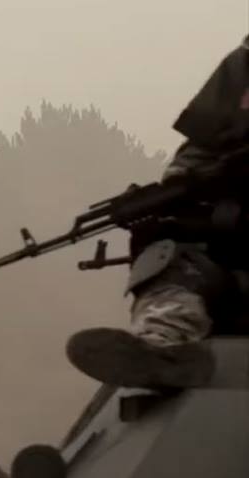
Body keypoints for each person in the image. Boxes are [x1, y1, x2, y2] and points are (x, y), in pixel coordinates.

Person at [67, 36, 249, 389]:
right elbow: (200, 155)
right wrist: (180, 199)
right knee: (169, 253)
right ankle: (164, 349)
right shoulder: (242, 65)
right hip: (236, 250)